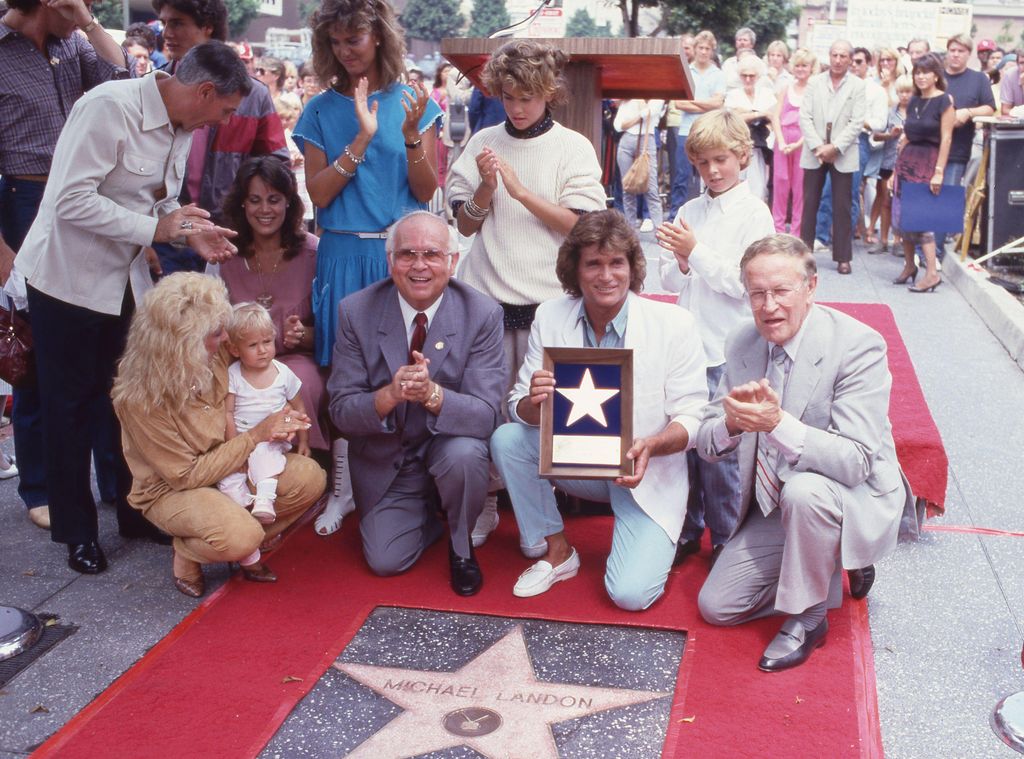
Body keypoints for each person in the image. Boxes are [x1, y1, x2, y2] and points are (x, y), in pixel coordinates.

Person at [14, 42, 247, 574]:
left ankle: (135, 509)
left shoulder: (181, 124)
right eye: (225, 110)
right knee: (69, 407)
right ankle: (77, 532)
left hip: (124, 281)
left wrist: (187, 230)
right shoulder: (108, 107)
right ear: (203, 91)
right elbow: (70, 199)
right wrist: (157, 228)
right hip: (67, 279)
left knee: (130, 401)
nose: (223, 122)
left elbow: (158, 201)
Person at [696, 234, 911, 672]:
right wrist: (732, 423)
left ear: (811, 287)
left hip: (848, 493)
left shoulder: (857, 345)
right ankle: (833, 559)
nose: (768, 306)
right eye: (757, 293)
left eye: (781, 291)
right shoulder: (742, 341)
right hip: (779, 502)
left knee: (805, 492)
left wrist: (776, 424)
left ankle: (810, 618)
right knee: (717, 607)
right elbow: (707, 443)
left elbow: (856, 461)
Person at [490, 209, 708, 610]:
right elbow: (517, 407)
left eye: (616, 263)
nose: (606, 276)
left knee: (630, 595)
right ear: (575, 270)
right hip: (575, 464)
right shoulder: (550, 315)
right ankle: (557, 549)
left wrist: (653, 445)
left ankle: (653, 540)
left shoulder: (674, 323)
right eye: (593, 264)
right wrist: (534, 403)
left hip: (641, 475)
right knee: (508, 439)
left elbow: (694, 417)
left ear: (632, 267)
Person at [446, 38, 605, 545]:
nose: (516, 108)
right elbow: (464, 225)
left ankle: (546, 510)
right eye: (508, 97)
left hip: (549, 304)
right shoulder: (483, 140)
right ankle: (487, 503)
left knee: (547, 411)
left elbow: (582, 226)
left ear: (549, 92)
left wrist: (519, 191)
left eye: (527, 98)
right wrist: (487, 188)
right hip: (487, 299)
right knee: (488, 408)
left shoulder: (573, 146)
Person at [293, 0, 442, 536]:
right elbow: (318, 195)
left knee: (405, 365)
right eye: (334, 42)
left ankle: (406, 482)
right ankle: (343, 488)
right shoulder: (318, 110)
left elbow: (425, 190)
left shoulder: (415, 102)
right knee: (345, 373)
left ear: (378, 36)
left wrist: (409, 134)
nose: (344, 51)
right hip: (342, 250)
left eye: (353, 39)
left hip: (400, 252)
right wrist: (360, 138)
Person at [0, 0, 132, 532]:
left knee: (98, 345)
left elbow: (125, 79)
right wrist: (2, 250)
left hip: (85, 199)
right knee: (37, 352)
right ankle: (40, 487)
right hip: (24, 200)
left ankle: (109, 482)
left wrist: (87, 22)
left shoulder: (74, 42)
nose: (87, 7)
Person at [327, 211, 505, 597]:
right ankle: (427, 514)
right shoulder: (356, 311)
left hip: (448, 447)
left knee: (465, 453)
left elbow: (486, 416)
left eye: (432, 254)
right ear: (390, 261)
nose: (419, 265)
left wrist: (432, 395)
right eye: (408, 254)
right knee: (385, 562)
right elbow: (341, 412)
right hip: (390, 457)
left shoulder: (482, 313)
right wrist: (389, 395)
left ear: (452, 262)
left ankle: (461, 544)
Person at [114, 274, 325, 597]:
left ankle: (238, 534)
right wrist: (256, 435)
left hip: (232, 466)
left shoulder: (214, 352)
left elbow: (255, 343)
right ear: (185, 342)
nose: (226, 337)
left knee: (310, 478)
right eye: (216, 332)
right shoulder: (140, 398)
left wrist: (283, 413)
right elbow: (185, 475)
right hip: (174, 489)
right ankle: (192, 551)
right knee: (243, 536)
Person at [656, 110, 774, 567]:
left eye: (721, 159)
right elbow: (669, 279)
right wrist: (683, 262)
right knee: (686, 442)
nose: (713, 170)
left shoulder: (754, 213)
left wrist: (696, 252)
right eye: (703, 162)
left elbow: (744, 283)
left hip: (728, 346)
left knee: (722, 450)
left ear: (743, 156)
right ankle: (688, 527)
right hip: (687, 345)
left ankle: (725, 537)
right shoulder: (689, 211)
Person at [151, 0, 289, 275]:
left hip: (228, 237)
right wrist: (142, 240)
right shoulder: (153, 87)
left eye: (177, 23)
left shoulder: (254, 95)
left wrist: (255, 219)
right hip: (164, 237)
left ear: (207, 27)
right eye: (164, 23)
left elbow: (276, 166)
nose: (166, 33)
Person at [219, 302, 310, 525]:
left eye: (267, 342)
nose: (262, 350)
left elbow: (299, 409)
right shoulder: (233, 374)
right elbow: (228, 413)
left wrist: (304, 442)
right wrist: (234, 448)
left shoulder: (283, 374)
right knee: (227, 477)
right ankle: (241, 506)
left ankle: (264, 500)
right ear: (235, 350)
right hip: (242, 439)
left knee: (265, 457)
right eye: (253, 345)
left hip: (272, 438)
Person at [799, 40, 865, 275]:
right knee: (810, 204)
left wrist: (835, 147)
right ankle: (804, 255)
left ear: (850, 60)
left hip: (843, 152)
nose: (838, 60)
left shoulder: (857, 86)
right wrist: (818, 146)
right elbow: (804, 116)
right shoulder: (815, 82)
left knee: (842, 205)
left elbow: (857, 122)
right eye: (834, 55)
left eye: (843, 56)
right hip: (814, 151)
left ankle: (843, 257)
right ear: (829, 56)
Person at [891, 53, 953, 293]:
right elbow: (908, 134)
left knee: (920, 219)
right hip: (907, 161)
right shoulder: (914, 100)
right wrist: (896, 167)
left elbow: (946, 139)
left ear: (936, 75)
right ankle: (909, 266)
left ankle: (932, 274)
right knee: (901, 217)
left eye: (926, 72)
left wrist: (939, 172)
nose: (921, 76)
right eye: (917, 72)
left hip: (928, 162)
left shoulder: (945, 100)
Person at [939, 34, 995, 256]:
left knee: (949, 195)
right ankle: (921, 248)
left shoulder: (978, 79)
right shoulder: (936, 76)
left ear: (969, 54)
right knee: (925, 197)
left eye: (960, 51)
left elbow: (990, 108)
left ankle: (939, 249)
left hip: (958, 148)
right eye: (952, 50)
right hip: (929, 147)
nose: (955, 55)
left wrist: (968, 112)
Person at [671, 30, 726, 217]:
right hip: (686, 130)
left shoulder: (718, 74)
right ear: (694, 49)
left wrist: (693, 103)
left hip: (709, 130)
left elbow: (718, 104)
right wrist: (706, 104)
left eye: (707, 49)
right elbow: (679, 103)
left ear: (712, 51)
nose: (703, 52)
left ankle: (709, 215)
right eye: (701, 48)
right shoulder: (685, 71)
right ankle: (675, 214)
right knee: (682, 175)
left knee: (709, 174)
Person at [770, 47, 816, 233]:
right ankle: (778, 231)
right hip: (783, 140)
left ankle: (797, 233)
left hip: (803, 142)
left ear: (811, 67)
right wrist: (781, 141)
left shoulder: (814, 91)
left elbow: (815, 121)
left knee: (800, 189)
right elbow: (775, 116)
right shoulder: (786, 88)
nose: (800, 69)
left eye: (804, 65)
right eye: (797, 65)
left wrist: (798, 144)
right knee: (780, 184)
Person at [868, 75, 912, 255]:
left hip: (909, 164)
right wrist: (890, 134)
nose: (904, 95)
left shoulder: (917, 113)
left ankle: (898, 240)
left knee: (903, 203)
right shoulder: (890, 112)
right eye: (901, 92)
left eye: (908, 91)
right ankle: (884, 240)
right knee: (885, 201)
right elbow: (876, 135)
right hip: (888, 161)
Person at [724, 56, 775, 202]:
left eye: (751, 76)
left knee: (758, 189)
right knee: (735, 187)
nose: (747, 79)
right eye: (744, 75)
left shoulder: (766, 94)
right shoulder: (733, 95)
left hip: (759, 147)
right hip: (737, 146)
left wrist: (746, 112)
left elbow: (773, 116)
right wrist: (759, 113)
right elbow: (734, 118)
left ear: (758, 76)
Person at [614, 98, 665, 230]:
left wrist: (634, 118)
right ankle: (630, 231)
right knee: (627, 188)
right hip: (626, 142)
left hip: (647, 140)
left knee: (651, 188)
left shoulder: (657, 99)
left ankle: (660, 231)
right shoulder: (628, 99)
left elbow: (648, 113)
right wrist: (640, 116)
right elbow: (618, 126)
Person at [722, 27, 757, 92]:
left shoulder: (758, 63)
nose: (742, 42)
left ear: (752, 44)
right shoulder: (728, 63)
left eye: (745, 40)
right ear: (736, 43)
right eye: (739, 40)